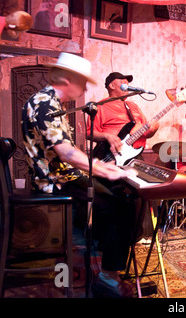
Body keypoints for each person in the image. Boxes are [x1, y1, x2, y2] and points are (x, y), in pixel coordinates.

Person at [21, 52, 137, 298]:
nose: (85, 88)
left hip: (65, 176)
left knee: (116, 192)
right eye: (82, 82)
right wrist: (103, 167)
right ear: (67, 80)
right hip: (54, 181)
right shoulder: (43, 102)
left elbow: (68, 154)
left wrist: (104, 170)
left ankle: (101, 253)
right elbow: (66, 154)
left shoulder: (53, 103)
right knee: (120, 205)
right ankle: (107, 277)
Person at [88, 72, 159, 162]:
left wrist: (153, 129)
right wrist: (107, 136)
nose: (127, 85)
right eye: (122, 82)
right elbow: (89, 133)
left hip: (135, 156)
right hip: (109, 156)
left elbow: (146, 134)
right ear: (112, 85)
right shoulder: (100, 106)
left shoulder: (134, 107)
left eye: (127, 83)